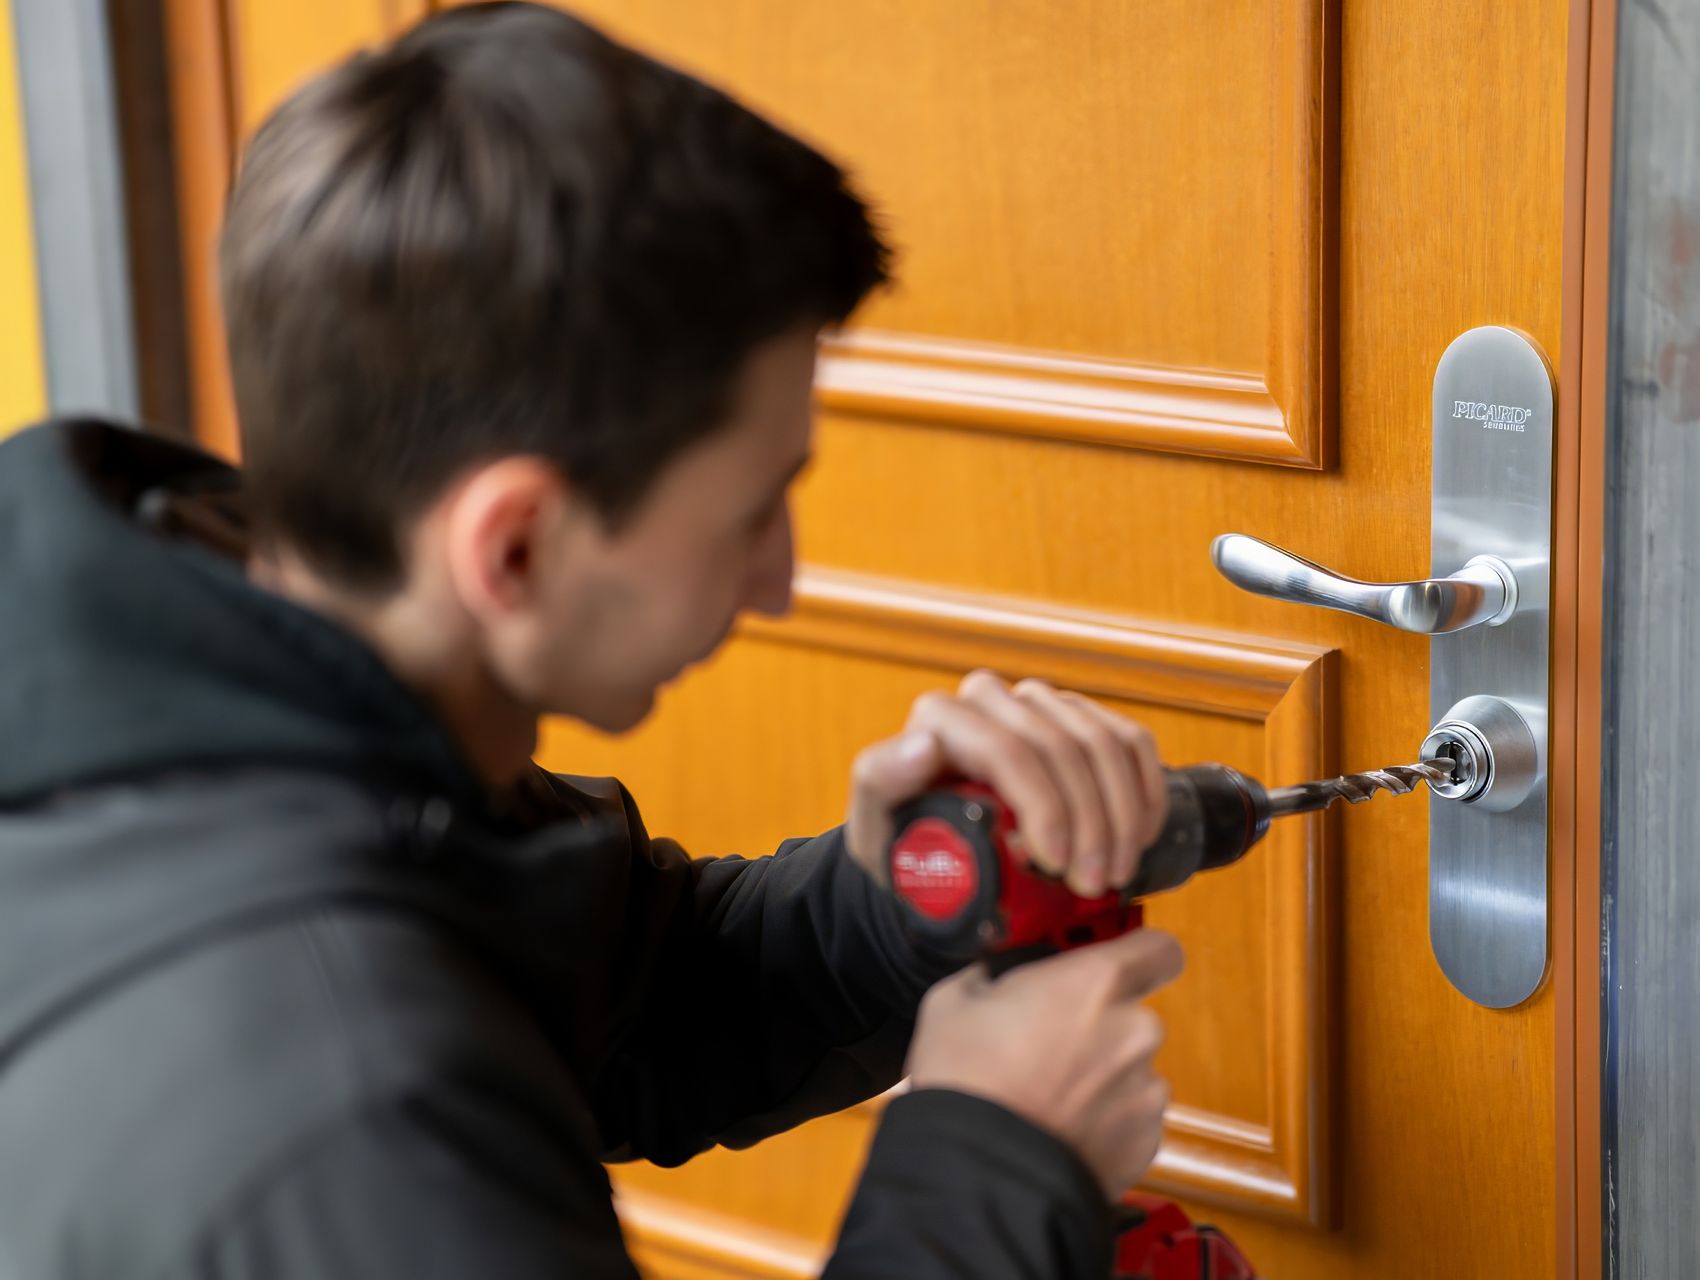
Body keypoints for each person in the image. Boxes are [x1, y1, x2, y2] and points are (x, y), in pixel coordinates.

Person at [0, 4, 1185, 1277]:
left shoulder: (214, 702)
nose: (780, 579)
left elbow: (612, 1003)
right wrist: (992, 1172)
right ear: (510, 547)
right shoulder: (353, 1113)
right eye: (748, 514)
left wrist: (898, 900)